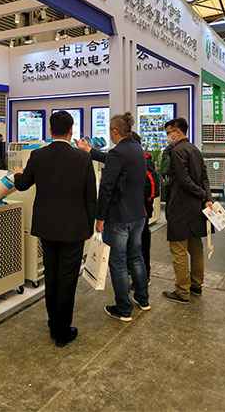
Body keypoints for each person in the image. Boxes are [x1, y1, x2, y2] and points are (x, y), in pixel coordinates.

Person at [14, 110, 96, 347]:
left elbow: (23, 184)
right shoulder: (82, 158)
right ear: (71, 131)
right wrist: (90, 226)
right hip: (74, 228)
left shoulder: (38, 155)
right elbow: (91, 195)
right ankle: (62, 331)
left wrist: (18, 175)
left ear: (50, 130)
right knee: (67, 279)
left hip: (47, 227)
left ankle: (53, 323)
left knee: (51, 276)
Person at [79, 113, 149, 321]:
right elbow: (112, 160)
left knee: (118, 262)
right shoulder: (136, 148)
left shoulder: (118, 152)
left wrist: (100, 217)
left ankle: (123, 308)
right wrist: (90, 151)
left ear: (115, 131)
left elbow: (106, 187)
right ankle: (143, 299)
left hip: (119, 216)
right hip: (138, 214)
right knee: (136, 257)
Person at [162, 116, 212, 303]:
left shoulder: (177, 151)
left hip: (180, 206)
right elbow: (205, 176)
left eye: (169, 132)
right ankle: (197, 285)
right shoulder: (195, 149)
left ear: (177, 131)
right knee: (196, 247)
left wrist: (200, 193)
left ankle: (182, 291)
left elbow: (183, 180)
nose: (168, 136)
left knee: (179, 249)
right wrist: (206, 197)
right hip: (196, 208)